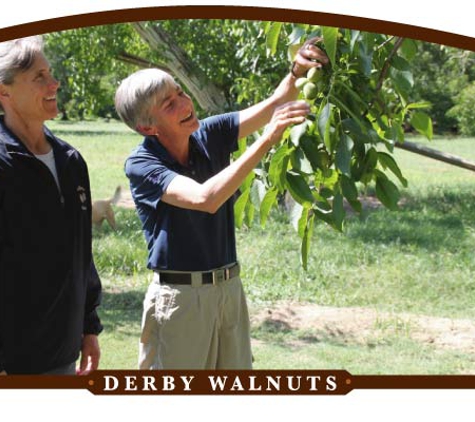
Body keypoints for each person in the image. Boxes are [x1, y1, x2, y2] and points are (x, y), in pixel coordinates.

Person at [115, 38, 328, 369]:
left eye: (180, 93)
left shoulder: (207, 134)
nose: (185, 104)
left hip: (228, 289)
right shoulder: (142, 163)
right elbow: (205, 198)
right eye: (168, 104)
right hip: (181, 300)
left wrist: (297, 69)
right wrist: (265, 142)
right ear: (148, 127)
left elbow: (276, 103)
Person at [0, 36, 103, 375]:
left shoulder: (71, 160)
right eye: (38, 77)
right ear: (4, 92)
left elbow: (81, 252)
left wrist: (89, 326)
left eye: (50, 72)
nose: (54, 83)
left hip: (63, 354)